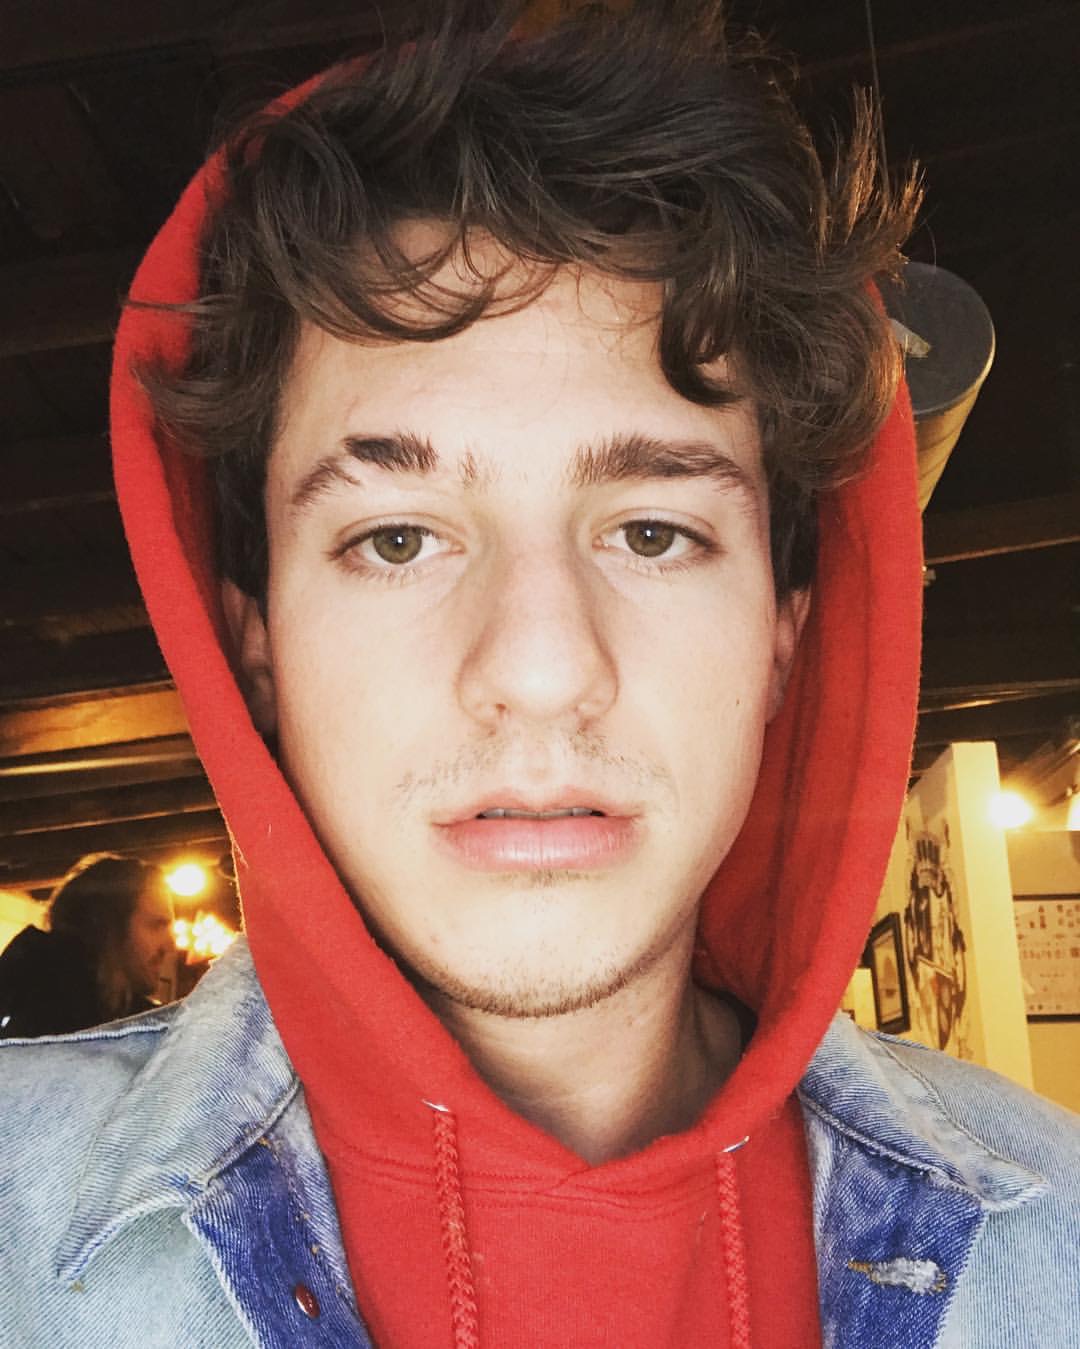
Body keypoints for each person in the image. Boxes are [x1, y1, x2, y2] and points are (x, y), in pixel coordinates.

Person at [2, 4, 1077, 1345]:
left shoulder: (1059, 1239)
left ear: (782, 632)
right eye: (396, 539)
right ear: (257, 643)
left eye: (653, 532)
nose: (541, 666)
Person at [0, 852, 174, 1039]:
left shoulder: (140, 1022)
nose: (169, 945)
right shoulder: (36, 981)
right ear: (108, 926)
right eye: (156, 925)